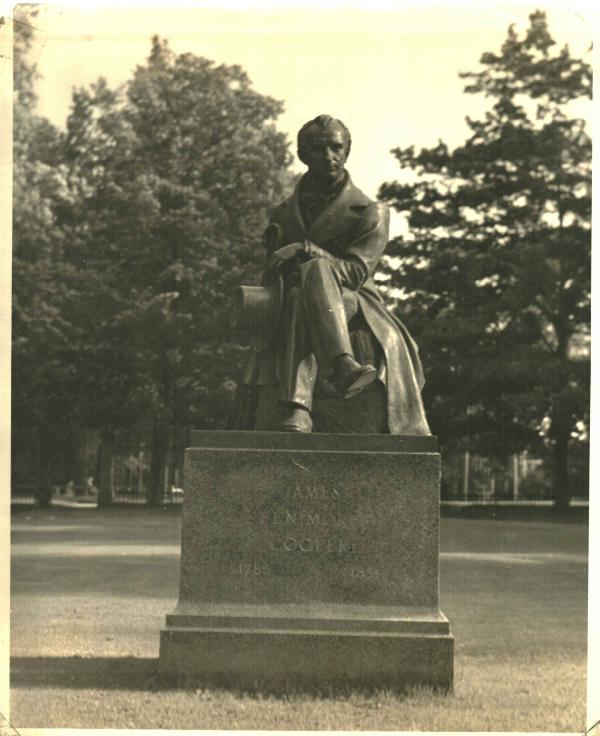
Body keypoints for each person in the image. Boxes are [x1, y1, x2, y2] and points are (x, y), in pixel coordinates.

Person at [240, 114, 430, 435]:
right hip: (294, 297)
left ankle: (302, 405)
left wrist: (305, 249)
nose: (329, 155)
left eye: (336, 147)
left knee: (316, 268)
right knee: (300, 296)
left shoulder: (372, 211)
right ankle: (335, 374)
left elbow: (356, 272)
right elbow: (270, 273)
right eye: (318, 148)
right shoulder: (283, 213)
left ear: (347, 151)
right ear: (303, 154)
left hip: (353, 301)